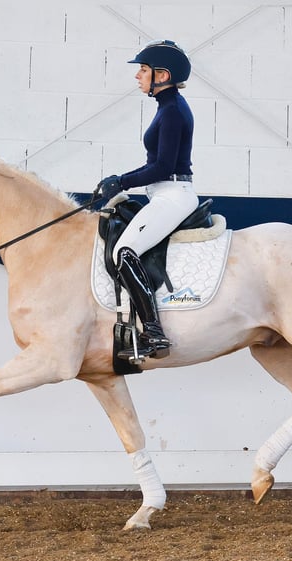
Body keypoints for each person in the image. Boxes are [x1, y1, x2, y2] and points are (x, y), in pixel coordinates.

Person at [97, 39, 198, 360]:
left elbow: (162, 167)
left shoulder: (172, 111)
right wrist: (119, 182)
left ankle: (154, 332)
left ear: (163, 75)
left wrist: (121, 181)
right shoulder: (168, 108)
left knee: (125, 251)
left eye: (143, 70)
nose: (138, 76)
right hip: (164, 193)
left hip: (173, 195)